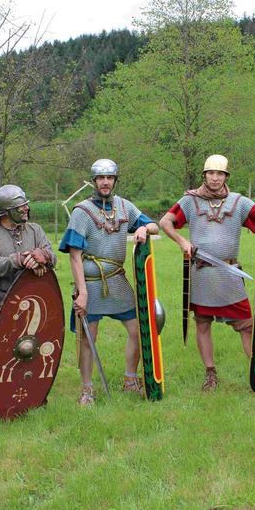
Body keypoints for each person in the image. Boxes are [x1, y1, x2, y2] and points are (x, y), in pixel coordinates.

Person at [160, 154, 255, 391]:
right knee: (202, 324)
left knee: (247, 325)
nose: (214, 178)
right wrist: (181, 241)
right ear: (204, 175)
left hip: (229, 274)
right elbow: (165, 222)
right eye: (211, 173)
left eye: (219, 174)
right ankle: (210, 373)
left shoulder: (238, 202)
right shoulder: (189, 201)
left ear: (226, 176)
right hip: (201, 273)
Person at [59, 159, 159, 405]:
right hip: (90, 282)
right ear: (94, 181)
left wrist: (144, 230)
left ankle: (130, 378)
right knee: (88, 338)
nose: (105, 182)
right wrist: (82, 293)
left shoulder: (125, 207)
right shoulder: (82, 211)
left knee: (139, 329)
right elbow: (74, 256)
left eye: (110, 178)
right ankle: (87, 390)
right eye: (101, 178)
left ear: (115, 180)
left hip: (116, 280)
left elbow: (155, 225)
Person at [0, 184, 54, 417]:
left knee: (32, 349)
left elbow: (51, 254)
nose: (26, 208)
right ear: (6, 211)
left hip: (32, 299)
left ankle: (33, 400)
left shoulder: (35, 230)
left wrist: (42, 258)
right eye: (20, 206)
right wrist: (21, 259)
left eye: (25, 204)